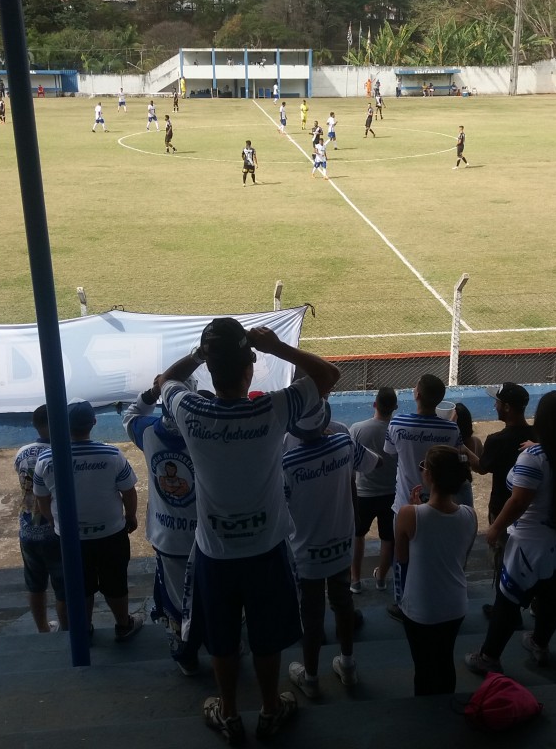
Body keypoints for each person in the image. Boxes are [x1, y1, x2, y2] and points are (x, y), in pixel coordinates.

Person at [157, 317, 340, 744]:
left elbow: (168, 380)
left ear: (211, 370)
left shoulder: (188, 409)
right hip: (267, 549)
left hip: (214, 555)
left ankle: (229, 713)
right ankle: (271, 709)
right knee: (266, 636)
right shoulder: (273, 409)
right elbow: (328, 375)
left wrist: (200, 355)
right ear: (249, 370)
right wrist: (278, 348)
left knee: (221, 639)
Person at [465, 391, 556, 672]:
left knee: (507, 602)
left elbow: (519, 500)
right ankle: (540, 644)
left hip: (533, 544)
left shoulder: (533, 457)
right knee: (552, 593)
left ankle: (488, 657)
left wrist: (496, 528)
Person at [284, 400, 379, 699]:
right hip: (342, 547)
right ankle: (348, 666)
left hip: (306, 555)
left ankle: (310, 678)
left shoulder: (286, 463)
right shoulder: (344, 443)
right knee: (343, 604)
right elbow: (375, 463)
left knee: (310, 617)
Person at [33, 399, 144, 643]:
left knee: (80, 585)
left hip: (70, 538)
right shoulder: (112, 454)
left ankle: (84, 629)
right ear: (94, 423)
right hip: (111, 534)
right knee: (115, 582)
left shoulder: (46, 459)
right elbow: (128, 491)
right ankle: (123, 625)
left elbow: (41, 497)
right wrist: (131, 515)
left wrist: (52, 521)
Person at [123, 377, 202, 674]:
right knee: (216, 595)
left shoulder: (148, 433)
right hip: (209, 537)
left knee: (175, 599)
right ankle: (223, 648)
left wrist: (153, 391)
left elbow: (131, 414)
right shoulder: (208, 433)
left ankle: (185, 654)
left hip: (169, 538)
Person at [395, 445, 477, 695]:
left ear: (429, 476)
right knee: (445, 660)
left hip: (421, 609)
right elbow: (460, 556)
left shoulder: (409, 514)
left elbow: (402, 557)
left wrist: (412, 510)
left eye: (424, 467)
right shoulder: (470, 515)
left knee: (423, 667)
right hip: (455, 604)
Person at [384, 374, 461, 622]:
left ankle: (402, 602)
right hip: (439, 501)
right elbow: (455, 456)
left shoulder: (397, 423)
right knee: (434, 550)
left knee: (402, 554)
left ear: (416, 394)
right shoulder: (451, 428)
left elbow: (390, 452)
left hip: (405, 503)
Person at [463, 383, 536, 618]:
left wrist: (462, 448)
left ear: (506, 407)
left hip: (503, 509)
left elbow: (482, 467)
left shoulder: (497, 439)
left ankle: (505, 610)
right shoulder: (536, 435)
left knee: (504, 559)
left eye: (497, 402)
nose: (494, 405)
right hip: (531, 508)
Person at [13, 405, 65, 633]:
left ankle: (42, 629)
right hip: (55, 529)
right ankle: (67, 629)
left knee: (35, 585)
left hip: (27, 528)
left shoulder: (22, 452)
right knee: (63, 586)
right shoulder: (61, 453)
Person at [349, 387, 399, 594]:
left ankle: (354, 580)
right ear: (395, 407)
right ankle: (381, 579)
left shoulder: (357, 429)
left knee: (357, 536)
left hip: (363, 493)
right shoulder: (396, 430)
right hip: (391, 493)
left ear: (374, 404)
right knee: (388, 537)